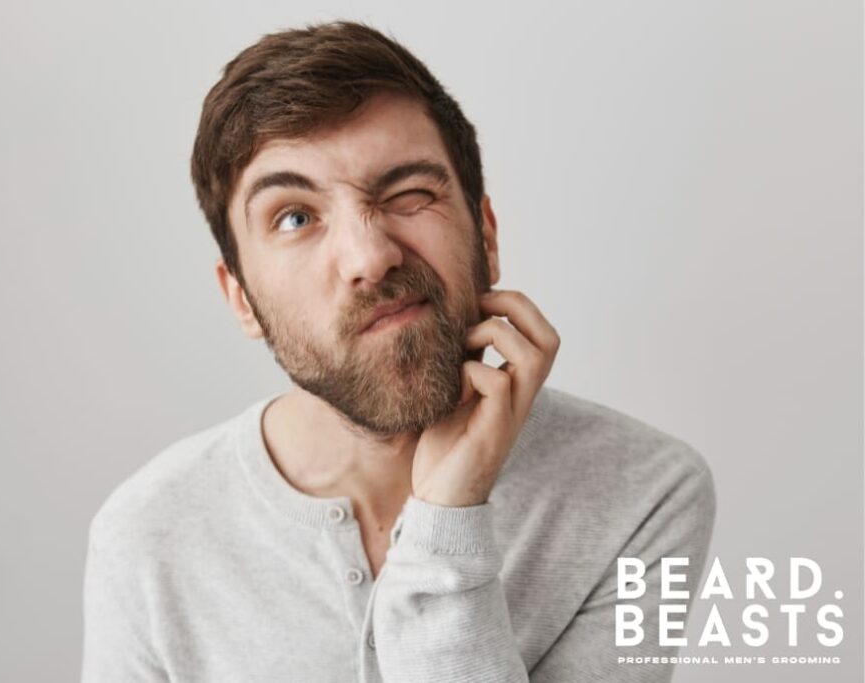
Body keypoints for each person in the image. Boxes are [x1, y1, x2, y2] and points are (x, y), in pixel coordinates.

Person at [81, 19, 716, 683]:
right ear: (241, 297)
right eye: (294, 217)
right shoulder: (148, 537)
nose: (371, 256)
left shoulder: (641, 492)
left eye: (409, 193)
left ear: (486, 236)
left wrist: (447, 522)